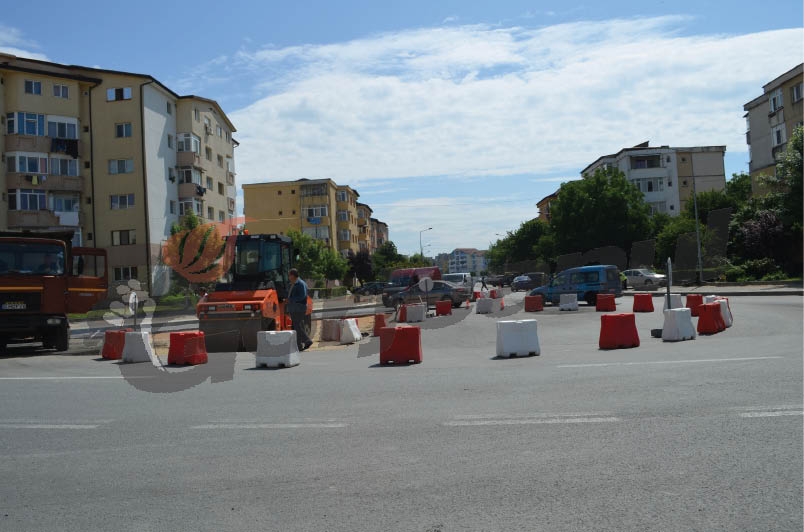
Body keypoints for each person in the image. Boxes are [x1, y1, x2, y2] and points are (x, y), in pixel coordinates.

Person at [287, 268, 313, 351]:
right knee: (296, 327)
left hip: (298, 308)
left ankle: (307, 340)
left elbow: (303, 296)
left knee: (297, 326)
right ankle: (299, 346)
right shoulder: (294, 283)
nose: (288, 277)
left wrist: (292, 300)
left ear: (293, 275)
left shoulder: (300, 284)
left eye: (289, 275)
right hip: (294, 308)